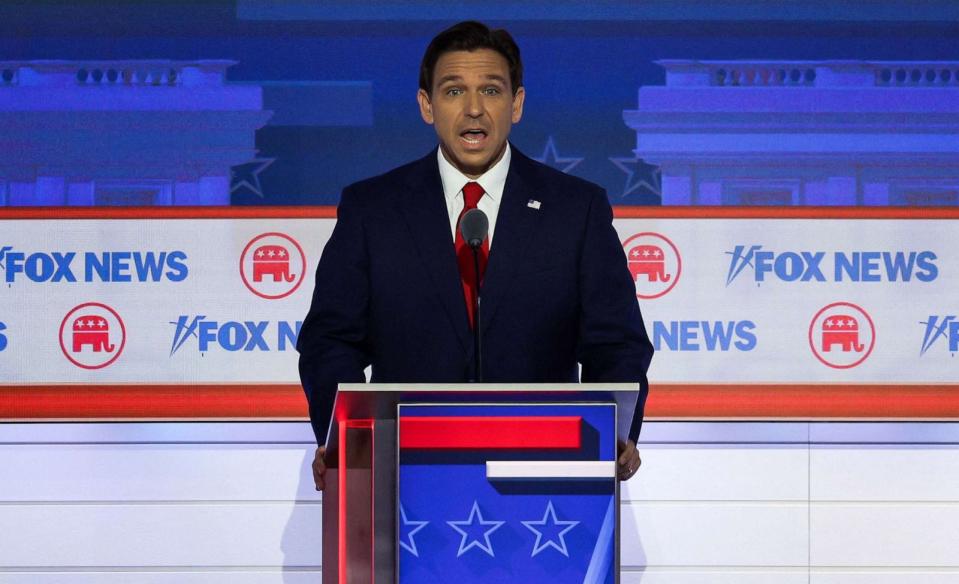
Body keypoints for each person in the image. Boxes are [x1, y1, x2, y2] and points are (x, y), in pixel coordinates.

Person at [297, 20, 653, 490]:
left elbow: (617, 344)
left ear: (517, 103)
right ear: (426, 105)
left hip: (544, 476)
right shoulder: (374, 209)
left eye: (490, 90)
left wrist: (614, 431)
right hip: (404, 474)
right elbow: (330, 342)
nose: (473, 110)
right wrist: (346, 436)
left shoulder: (575, 209)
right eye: (452, 91)